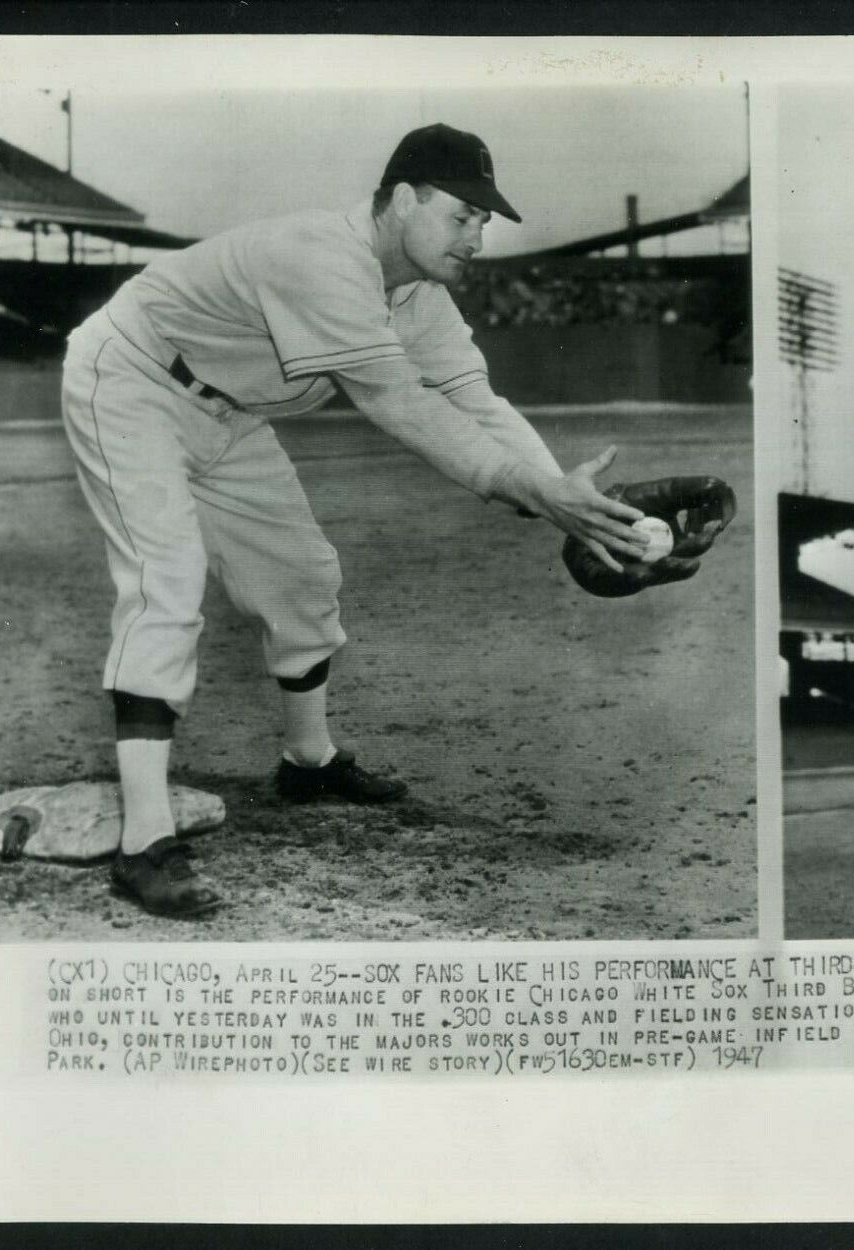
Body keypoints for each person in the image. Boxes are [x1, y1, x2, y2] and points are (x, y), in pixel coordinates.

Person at [60, 123, 649, 918]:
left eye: (484, 220)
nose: (476, 235)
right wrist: (539, 494)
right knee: (166, 580)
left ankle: (307, 762)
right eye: (461, 214)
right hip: (129, 382)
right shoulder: (321, 256)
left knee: (303, 575)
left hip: (230, 414)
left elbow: (477, 404)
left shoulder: (419, 299)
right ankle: (144, 843)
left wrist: (566, 499)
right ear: (402, 201)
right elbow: (399, 403)